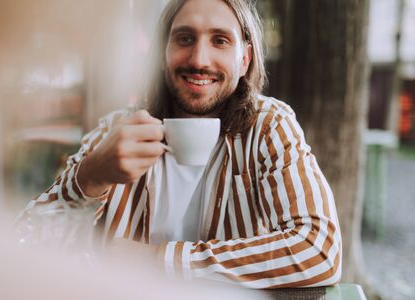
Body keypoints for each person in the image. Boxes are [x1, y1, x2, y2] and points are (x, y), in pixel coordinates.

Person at [22, 0, 342, 289]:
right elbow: (24, 245)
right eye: (184, 38)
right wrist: (89, 177)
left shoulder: (268, 125)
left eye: (220, 40)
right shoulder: (118, 129)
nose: (199, 59)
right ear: (163, 53)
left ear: (244, 59)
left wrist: (160, 261)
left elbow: (321, 251)